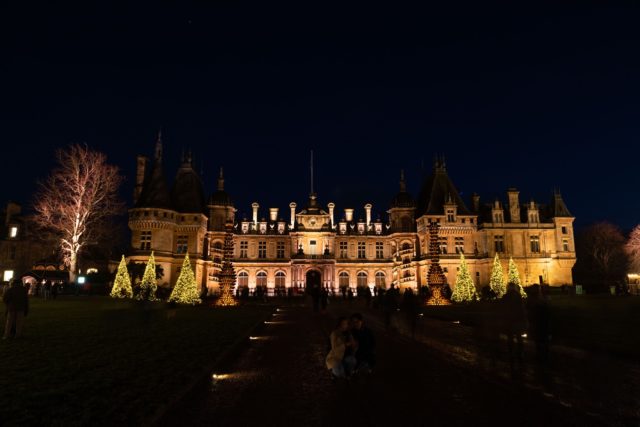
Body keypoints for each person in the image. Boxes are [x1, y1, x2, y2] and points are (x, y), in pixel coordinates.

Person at [502, 282, 527, 369]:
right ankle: (520, 352)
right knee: (519, 337)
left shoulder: (506, 296)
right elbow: (522, 308)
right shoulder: (518, 296)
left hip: (510, 320)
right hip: (517, 320)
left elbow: (503, 309)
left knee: (510, 338)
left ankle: (511, 352)